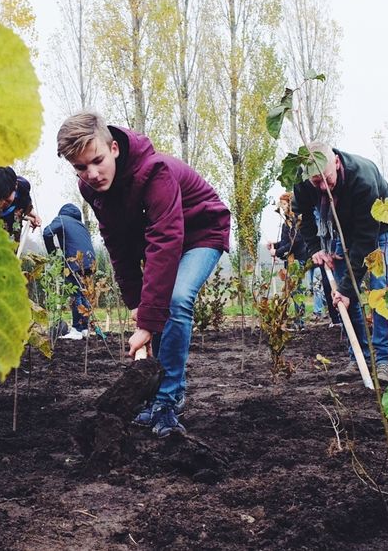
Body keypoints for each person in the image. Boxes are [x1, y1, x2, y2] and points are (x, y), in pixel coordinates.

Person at [57, 111, 230, 438]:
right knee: (155, 305)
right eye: (81, 167)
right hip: (162, 240)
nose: (92, 174)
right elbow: (116, 241)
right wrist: (137, 302)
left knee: (176, 300)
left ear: (114, 149)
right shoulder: (91, 188)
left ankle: (168, 400)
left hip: (201, 232)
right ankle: (160, 395)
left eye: (97, 160)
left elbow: (167, 239)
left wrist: (149, 323)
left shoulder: (154, 172)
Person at [293, 142, 388, 383]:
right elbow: (302, 214)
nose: (323, 188)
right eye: (316, 183)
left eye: (327, 180)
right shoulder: (303, 179)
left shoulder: (362, 178)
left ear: (336, 162)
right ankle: (359, 359)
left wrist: (347, 288)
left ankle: (386, 362)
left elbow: (366, 239)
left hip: (384, 229)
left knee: (382, 288)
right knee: (342, 297)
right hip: (342, 232)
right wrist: (315, 248)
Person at [42, 203, 96, 340]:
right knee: (84, 294)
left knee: (75, 294)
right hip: (90, 261)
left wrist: (54, 254)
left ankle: (76, 330)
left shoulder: (61, 219)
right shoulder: (81, 225)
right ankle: (85, 328)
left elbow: (47, 232)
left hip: (74, 261)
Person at [267, 192, 307, 328]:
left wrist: (276, 252)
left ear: (290, 204)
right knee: (291, 290)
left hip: (297, 260)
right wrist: (275, 244)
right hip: (289, 260)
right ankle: (296, 320)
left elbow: (295, 242)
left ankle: (300, 322)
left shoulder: (297, 221)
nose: (282, 207)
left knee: (296, 291)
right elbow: (285, 241)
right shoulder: (286, 222)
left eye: (284, 204)